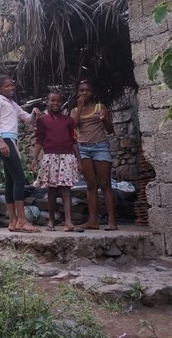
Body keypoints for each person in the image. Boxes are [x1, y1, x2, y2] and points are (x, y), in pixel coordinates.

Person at [0, 75, 41, 233]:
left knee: (11, 181)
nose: (11, 88)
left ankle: (12, 221)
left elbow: (28, 119)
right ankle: (22, 220)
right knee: (19, 178)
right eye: (6, 86)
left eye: (12, 85)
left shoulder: (12, 103)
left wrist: (34, 113)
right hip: (4, 140)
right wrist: (1, 141)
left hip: (10, 141)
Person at [32, 90, 85, 232]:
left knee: (66, 189)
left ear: (62, 103)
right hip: (50, 157)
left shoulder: (68, 120)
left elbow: (74, 141)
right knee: (52, 190)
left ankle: (68, 222)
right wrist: (35, 158)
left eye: (58, 101)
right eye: (52, 101)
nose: (55, 103)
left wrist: (79, 160)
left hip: (66, 157)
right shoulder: (42, 120)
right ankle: (51, 221)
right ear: (47, 102)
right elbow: (39, 140)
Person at [70, 79, 117, 230]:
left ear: (93, 92)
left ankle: (111, 221)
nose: (85, 93)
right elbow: (73, 127)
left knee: (105, 185)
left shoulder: (100, 107)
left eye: (88, 90)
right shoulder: (74, 110)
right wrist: (80, 107)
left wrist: (104, 119)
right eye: (82, 90)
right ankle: (93, 221)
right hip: (83, 149)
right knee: (91, 186)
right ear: (78, 93)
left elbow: (110, 130)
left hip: (100, 147)